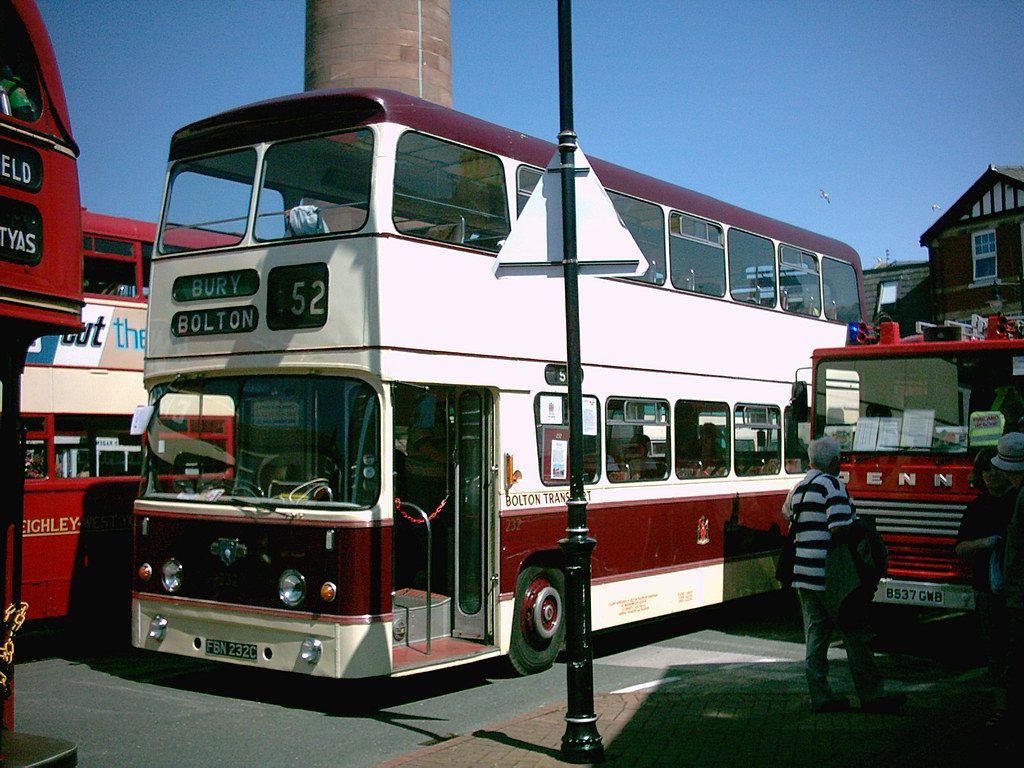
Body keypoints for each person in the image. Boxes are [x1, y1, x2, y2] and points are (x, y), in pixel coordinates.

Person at [787, 436, 906, 713]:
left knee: (816, 638)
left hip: (803, 573)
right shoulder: (833, 484)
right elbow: (839, 526)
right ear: (833, 461)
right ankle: (872, 695)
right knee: (856, 634)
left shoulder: (799, 487)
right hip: (833, 575)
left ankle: (821, 697)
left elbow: (788, 517)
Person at [956, 447, 1014, 721]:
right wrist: (985, 543)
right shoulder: (977, 507)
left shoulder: (1017, 501)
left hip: (1016, 588)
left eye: (995, 469)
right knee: (995, 648)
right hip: (986, 589)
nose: (991, 476)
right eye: (985, 470)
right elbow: (961, 548)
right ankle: (1002, 707)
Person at [991, 432, 1024, 738]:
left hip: (1019, 595)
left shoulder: (1021, 497)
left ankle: (1010, 720)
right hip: (1017, 592)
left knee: (1012, 662)